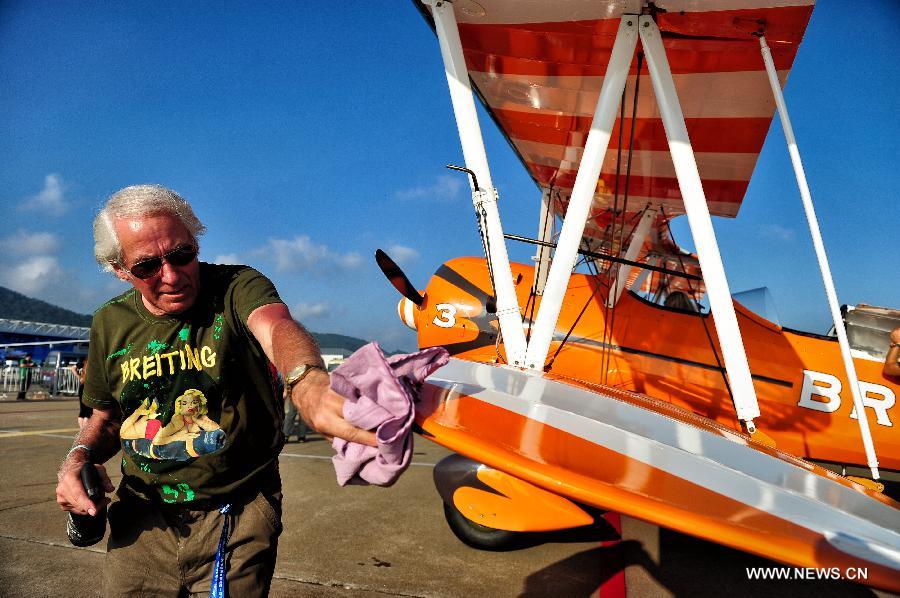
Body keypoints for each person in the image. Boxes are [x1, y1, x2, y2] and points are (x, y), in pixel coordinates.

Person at [55, 184, 376, 596]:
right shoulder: (108, 323)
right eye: (147, 266)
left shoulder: (236, 287)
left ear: (196, 241)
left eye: (182, 255)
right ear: (119, 269)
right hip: (141, 520)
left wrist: (308, 382)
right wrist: (76, 459)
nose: (171, 276)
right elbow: (104, 418)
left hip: (236, 514)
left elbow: (275, 325)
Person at [72, 357, 91, 429]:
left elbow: (73, 368)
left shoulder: (84, 361)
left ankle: (82, 429)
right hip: (89, 387)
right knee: (89, 411)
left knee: (82, 411)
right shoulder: (94, 362)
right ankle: (84, 430)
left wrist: (79, 377)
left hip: (82, 386)